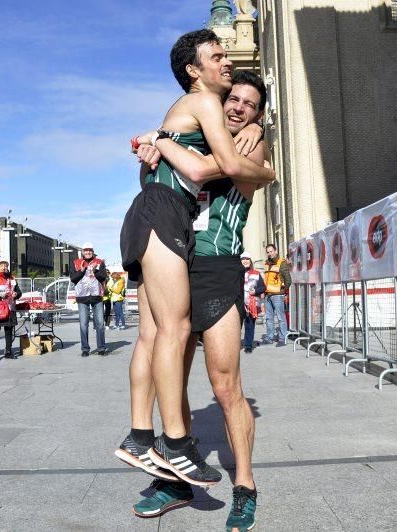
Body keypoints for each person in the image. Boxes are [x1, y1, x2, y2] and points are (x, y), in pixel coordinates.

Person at [118, 29, 274, 489]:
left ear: (258, 116)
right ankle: (166, 453)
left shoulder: (248, 140)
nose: (238, 107)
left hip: (216, 264)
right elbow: (177, 169)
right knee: (165, 344)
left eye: (250, 104)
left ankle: (241, 481)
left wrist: (264, 166)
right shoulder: (199, 116)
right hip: (174, 244)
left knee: (222, 384)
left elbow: (218, 168)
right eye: (235, 100)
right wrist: (159, 144)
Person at [70, 243, 108, 357]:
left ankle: (101, 348)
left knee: (100, 324)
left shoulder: (99, 262)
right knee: (83, 324)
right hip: (82, 298)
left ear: (93, 251)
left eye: (90, 250)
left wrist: (96, 271)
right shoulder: (76, 263)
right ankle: (85, 349)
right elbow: (73, 279)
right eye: (85, 250)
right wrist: (81, 271)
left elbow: (103, 277)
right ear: (82, 252)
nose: (88, 252)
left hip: (97, 297)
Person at [261, 244, 291, 346]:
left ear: (275, 251)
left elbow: (288, 280)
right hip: (267, 294)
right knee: (269, 318)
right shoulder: (266, 263)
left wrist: (283, 290)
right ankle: (269, 338)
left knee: (280, 317)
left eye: (271, 251)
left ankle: (282, 339)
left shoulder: (281, 263)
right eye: (268, 252)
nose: (270, 253)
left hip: (277, 295)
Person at [241, 251, 265, 353]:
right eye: (243, 259)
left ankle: (248, 345)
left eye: (247, 259)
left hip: (252, 304)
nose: (245, 261)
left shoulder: (256, 273)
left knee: (249, 325)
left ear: (250, 261)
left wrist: (256, 291)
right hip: (238, 303)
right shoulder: (235, 273)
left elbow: (263, 287)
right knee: (235, 326)